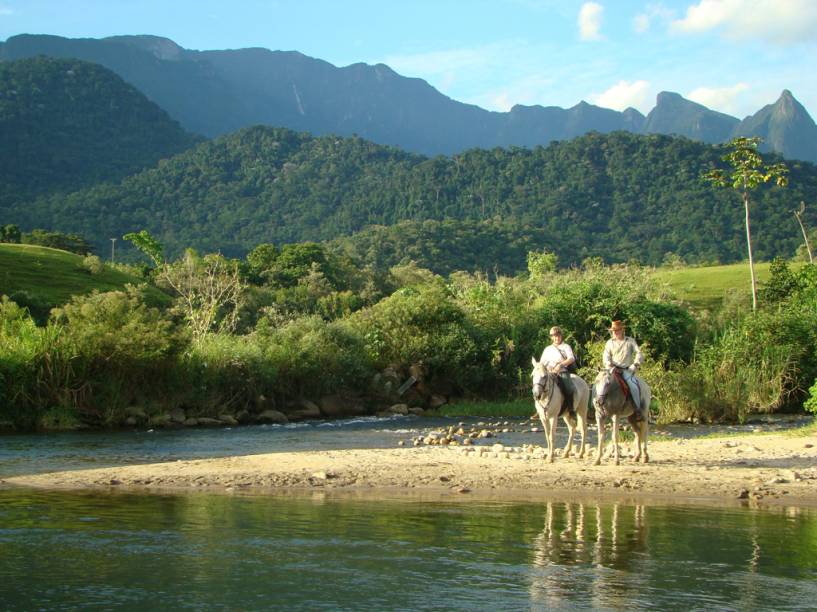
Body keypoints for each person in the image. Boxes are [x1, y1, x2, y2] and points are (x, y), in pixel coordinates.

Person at [602, 320, 644, 414]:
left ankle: (637, 408)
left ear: (622, 330)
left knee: (633, 386)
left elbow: (639, 353)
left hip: (626, 370)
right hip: (612, 369)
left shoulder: (630, 341)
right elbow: (606, 356)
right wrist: (609, 365)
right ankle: (599, 406)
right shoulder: (609, 342)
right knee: (601, 383)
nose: (615, 332)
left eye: (617, 330)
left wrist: (636, 364)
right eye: (613, 331)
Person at [540, 326, 576, 413]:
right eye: (554, 336)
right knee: (539, 387)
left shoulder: (566, 346)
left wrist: (560, 365)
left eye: (558, 335)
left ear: (561, 336)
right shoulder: (547, 349)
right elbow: (542, 363)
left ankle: (570, 408)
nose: (557, 338)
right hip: (549, 373)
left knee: (568, 388)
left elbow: (571, 358)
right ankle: (540, 409)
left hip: (562, 372)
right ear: (552, 337)